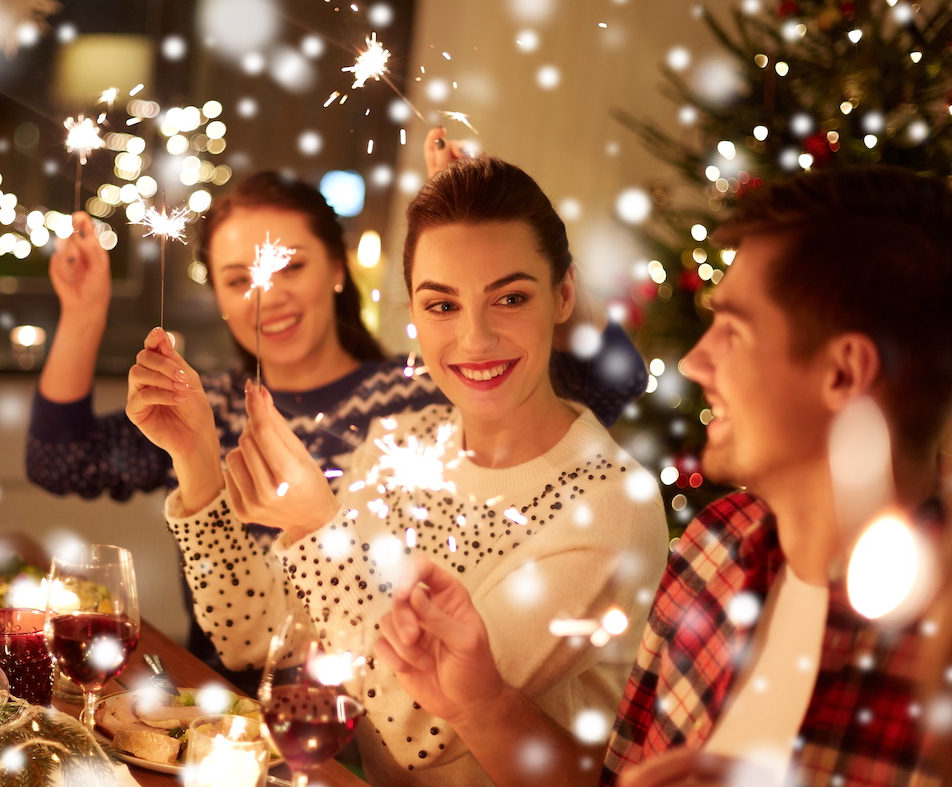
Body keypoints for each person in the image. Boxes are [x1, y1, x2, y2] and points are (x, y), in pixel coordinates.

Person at [375, 166, 952, 787]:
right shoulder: (714, 551)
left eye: (733, 330)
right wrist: (479, 702)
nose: (698, 359)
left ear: (843, 374)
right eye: (441, 302)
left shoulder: (930, 655)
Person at [26, 143, 650, 691]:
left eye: (290, 265)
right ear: (215, 294)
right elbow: (58, 460)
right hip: (230, 697)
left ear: (336, 266)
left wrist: (479, 239)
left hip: (368, 709)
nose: (268, 295)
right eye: (239, 278)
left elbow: (609, 379)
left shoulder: (419, 393)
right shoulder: (205, 405)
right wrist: (83, 315)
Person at [131, 157, 669, 785]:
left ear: (564, 295)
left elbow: (424, 726)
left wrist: (315, 527)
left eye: (511, 297)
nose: (475, 338)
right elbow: (254, 635)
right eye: (443, 305)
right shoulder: (404, 442)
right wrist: (196, 461)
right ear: (412, 311)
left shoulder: (605, 503)